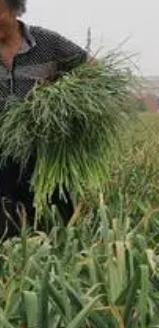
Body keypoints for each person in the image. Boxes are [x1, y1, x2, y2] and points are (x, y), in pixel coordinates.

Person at [0, 0, 88, 238]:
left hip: (47, 153)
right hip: (2, 157)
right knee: (6, 229)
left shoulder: (47, 43)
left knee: (58, 224)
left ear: (14, 10)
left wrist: (58, 93)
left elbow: (91, 71)